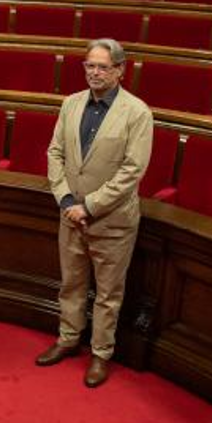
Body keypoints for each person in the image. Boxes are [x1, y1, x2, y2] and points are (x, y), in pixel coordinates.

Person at [37, 38, 153, 388]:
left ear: (120, 69)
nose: (95, 73)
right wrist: (66, 199)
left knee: (107, 294)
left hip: (111, 221)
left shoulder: (138, 113)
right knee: (71, 284)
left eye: (103, 67)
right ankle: (68, 339)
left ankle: (101, 354)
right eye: (90, 65)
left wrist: (89, 205)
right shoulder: (71, 104)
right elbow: (55, 153)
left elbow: (132, 170)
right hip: (70, 214)